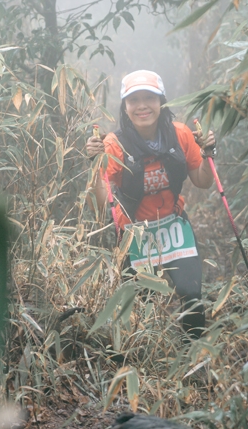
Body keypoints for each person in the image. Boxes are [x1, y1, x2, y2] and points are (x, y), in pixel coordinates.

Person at [86, 69, 216, 338]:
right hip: (136, 233)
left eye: (150, 98)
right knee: (141, 306)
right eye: (134, 100)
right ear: (125, 106)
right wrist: (95, 166)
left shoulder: (180, 135)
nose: (142, 106)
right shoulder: (113, 144)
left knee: (192, 296)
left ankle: (194, 360)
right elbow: (100, 206)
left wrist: (208, 155)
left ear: (161, 102)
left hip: (175, 228)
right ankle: (145, 367)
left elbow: (203, 181)